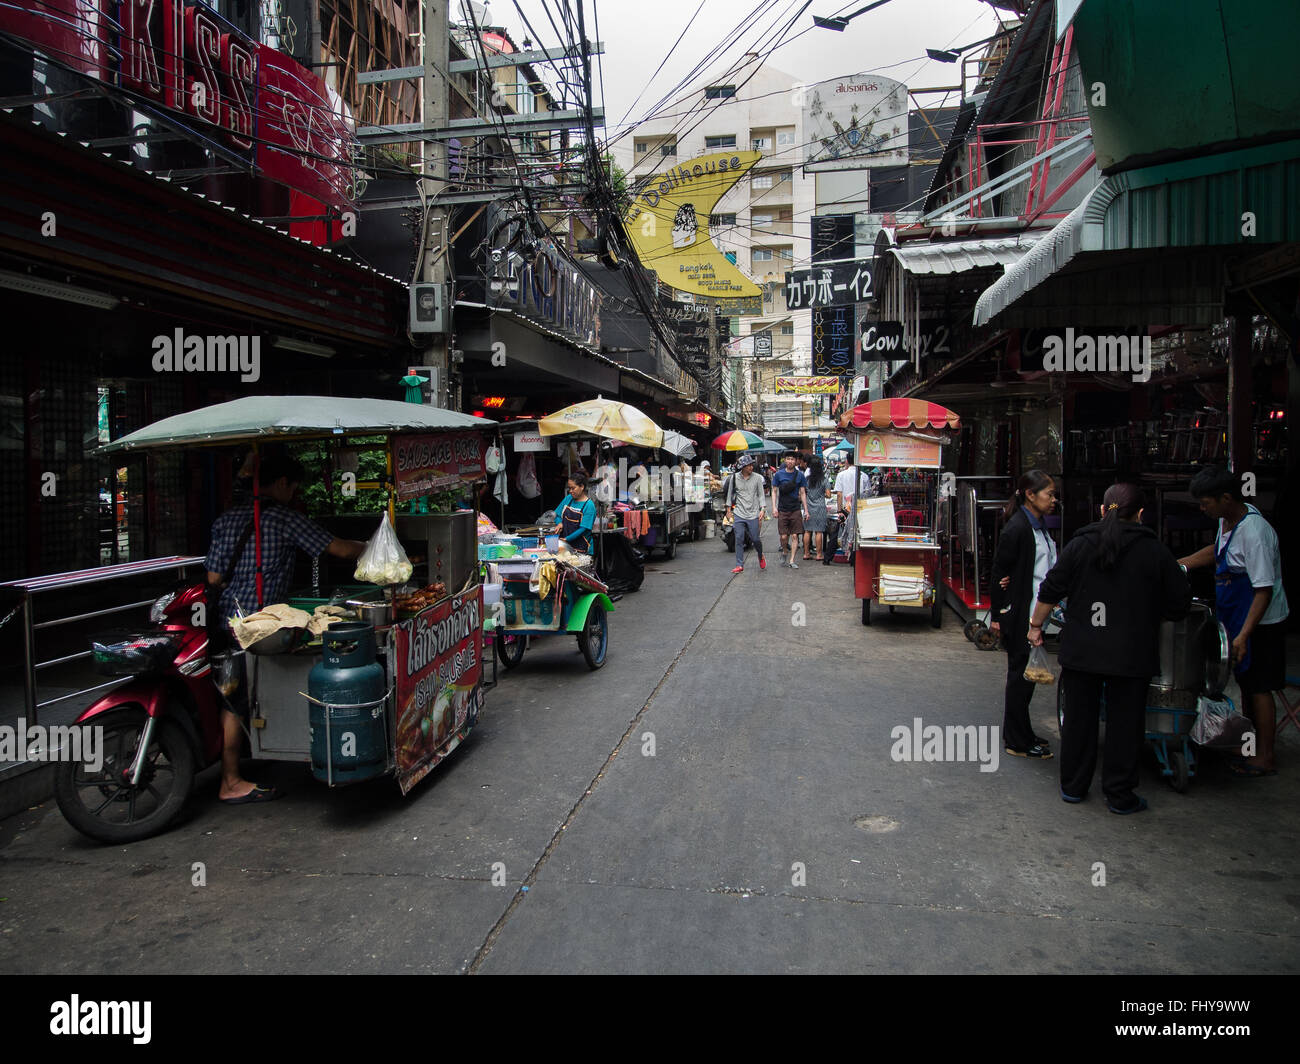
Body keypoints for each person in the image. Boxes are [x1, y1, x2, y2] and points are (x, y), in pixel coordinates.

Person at [206, 452, 367, 804]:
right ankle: (230, 781)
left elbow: (214, 576)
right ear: (281, 483)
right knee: (236, 702)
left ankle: (242, 764)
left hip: (227, 621)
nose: (294, 494)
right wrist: (373, 548)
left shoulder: (227, 518)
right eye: (293, 487)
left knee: (231, 695)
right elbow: (338, 549)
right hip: (262, 627)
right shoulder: (283, 519)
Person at [1029, 484, 1191, 812]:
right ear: (1141, 514)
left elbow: (1051, 588)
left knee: (1078, 720)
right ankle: (1119, 795)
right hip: (1131, 654)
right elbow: (1179, 604)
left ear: (1102, 510)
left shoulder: (1081, 544)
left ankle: (1073, 787)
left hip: (1083, 650)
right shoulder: (1155, 551)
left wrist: (1035, 627)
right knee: (1126, 725)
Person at [1179, 465, 1290, 776]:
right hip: (1236, 616)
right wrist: (1179, 565)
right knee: (1244, 683)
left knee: (1259, 687)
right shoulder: (1227, 521)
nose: (1202, 509)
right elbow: (1217, 553)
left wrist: (1242, 636)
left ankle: (1265, 756)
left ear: (1225, 498)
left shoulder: (1255, 533)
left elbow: (1263, 591)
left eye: (1205, 503)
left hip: (1261, 622)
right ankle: (1249, 745)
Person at [989, 469, 1058, 759]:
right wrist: (998, 615)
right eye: (1049, 494)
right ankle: (1016, 740)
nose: (1054, 500)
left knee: (1026, 679)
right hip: (1020, 616)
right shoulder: (1017, 529)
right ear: (1030, 495)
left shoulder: (1038, 526)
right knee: (1020, 678)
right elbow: (999, 572)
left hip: (1033, 613)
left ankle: (1023, 733)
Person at [725, 454, 767, 573]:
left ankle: (760, 555)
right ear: (742, 467)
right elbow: (729, 494)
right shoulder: (734, 478)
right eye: (748, 466)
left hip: (753, 513)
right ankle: (739, 564)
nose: (751, 467)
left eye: (751, 465)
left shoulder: (758, 478)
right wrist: (728, 510)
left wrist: (762, 509)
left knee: (755, 539)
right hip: (739, 512)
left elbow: (761, 495)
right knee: (738, 538)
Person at [770, 452, 809, 568]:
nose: (790, 461)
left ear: (796, 461)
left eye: (792, 459)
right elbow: (774, 491)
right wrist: (774, 507)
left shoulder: (800, 475)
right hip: (782, 509)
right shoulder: (778, 475)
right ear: (785, 460)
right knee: (783, 536)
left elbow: (802, 493)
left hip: (795, 509)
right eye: (788, 459)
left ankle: (792, 560)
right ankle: (785, 551)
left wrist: (806, 510)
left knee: (795, 536)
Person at [550, 469, 596, 554]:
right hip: (565, 547)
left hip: (582, 548)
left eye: (573, 488)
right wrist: (560, 523)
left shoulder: (589, 505)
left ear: (582, 487)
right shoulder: (568, 499)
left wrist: (567, 539)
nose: (570, 491)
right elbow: (557, 515)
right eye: (569, 488)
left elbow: (583, 529)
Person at [833, 460, 872, 561]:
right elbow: (867, 493)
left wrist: (839, 511)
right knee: (857, 533)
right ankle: (854, 559)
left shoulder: (841, 475)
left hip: (846, 508)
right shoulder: (864, 476)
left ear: (847, 461)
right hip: (859, 508)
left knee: (841, 532)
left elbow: (839, 494)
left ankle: (828, 557)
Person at [803, 457, 829, 560]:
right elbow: (828, 494)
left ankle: (806, 553)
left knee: (807, 531)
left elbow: (803, 492)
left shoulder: (807, 479)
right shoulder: (824, 479)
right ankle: (819, 554)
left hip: (808, 507)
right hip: (820, 507)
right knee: (819, 531)